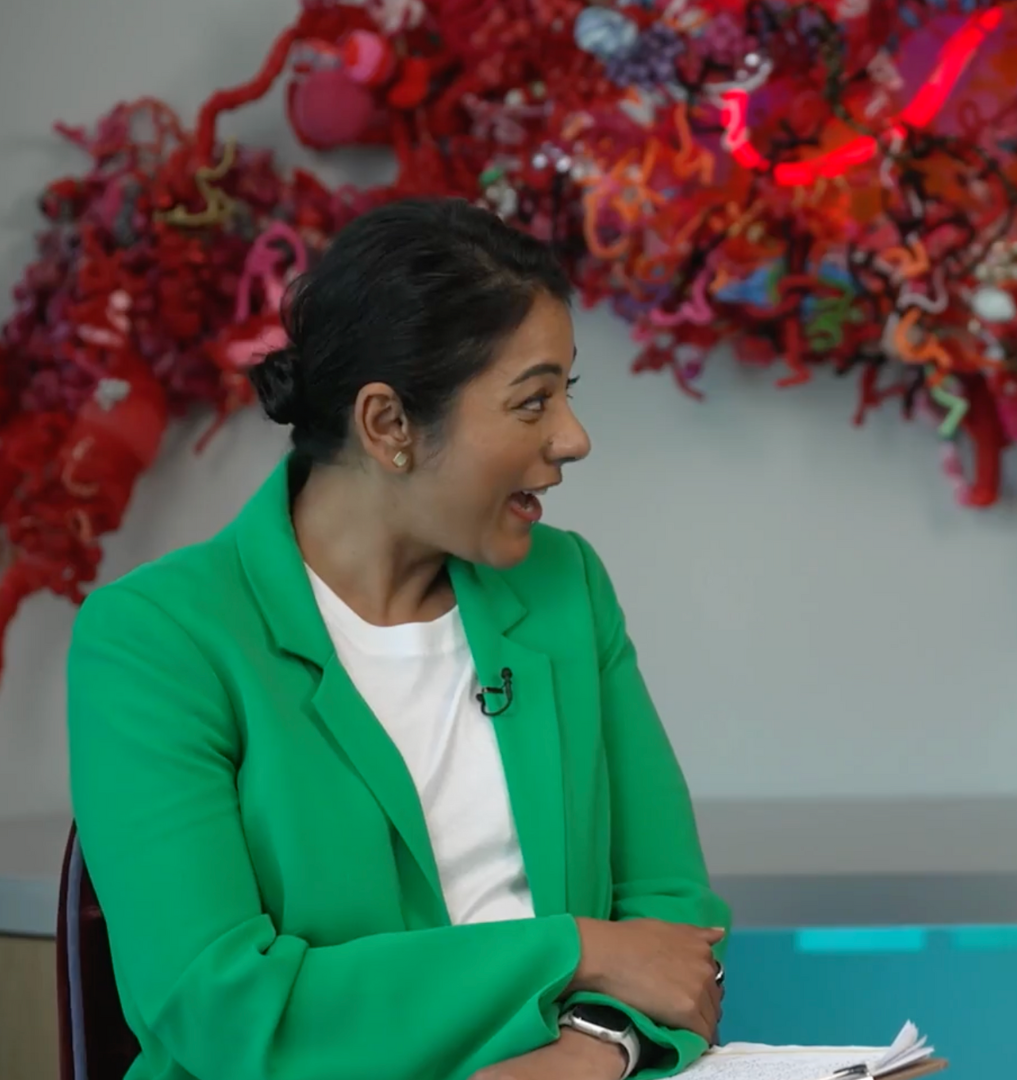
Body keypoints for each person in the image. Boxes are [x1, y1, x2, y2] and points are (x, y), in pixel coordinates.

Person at [67, 198, 729, 1080]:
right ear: (387, 425)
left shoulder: (566, 588)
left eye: (566, 396)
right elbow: (218, 1007)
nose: (573, 439)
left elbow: (673, 926)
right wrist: (576, 950)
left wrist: (596, 1047)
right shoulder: (155, 641)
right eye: (532, 402)